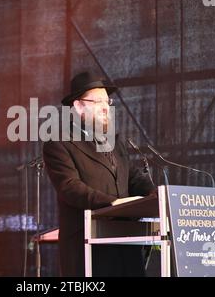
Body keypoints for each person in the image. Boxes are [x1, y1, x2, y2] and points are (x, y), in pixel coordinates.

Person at [43, 71, 156, 277]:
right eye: (98, 102)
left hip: (124, 242)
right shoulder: (59, 143)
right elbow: (70, 187)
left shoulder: (115, 141)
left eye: (108, 102)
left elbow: (131, 176)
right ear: (78, 106)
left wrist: (156, 194)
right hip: (88, 245)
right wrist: (113, 203)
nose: (106, 107)